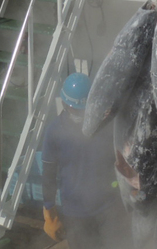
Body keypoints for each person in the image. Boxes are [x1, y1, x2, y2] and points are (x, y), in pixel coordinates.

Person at [42, 72, 120, 248]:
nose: (80, 113)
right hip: (75, 213)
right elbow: (48, 173)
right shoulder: (54, 132)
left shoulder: (107, 125)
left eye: (84, 109)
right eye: (76, 109)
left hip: (108, 206)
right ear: (64, 104)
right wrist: (49, 209)